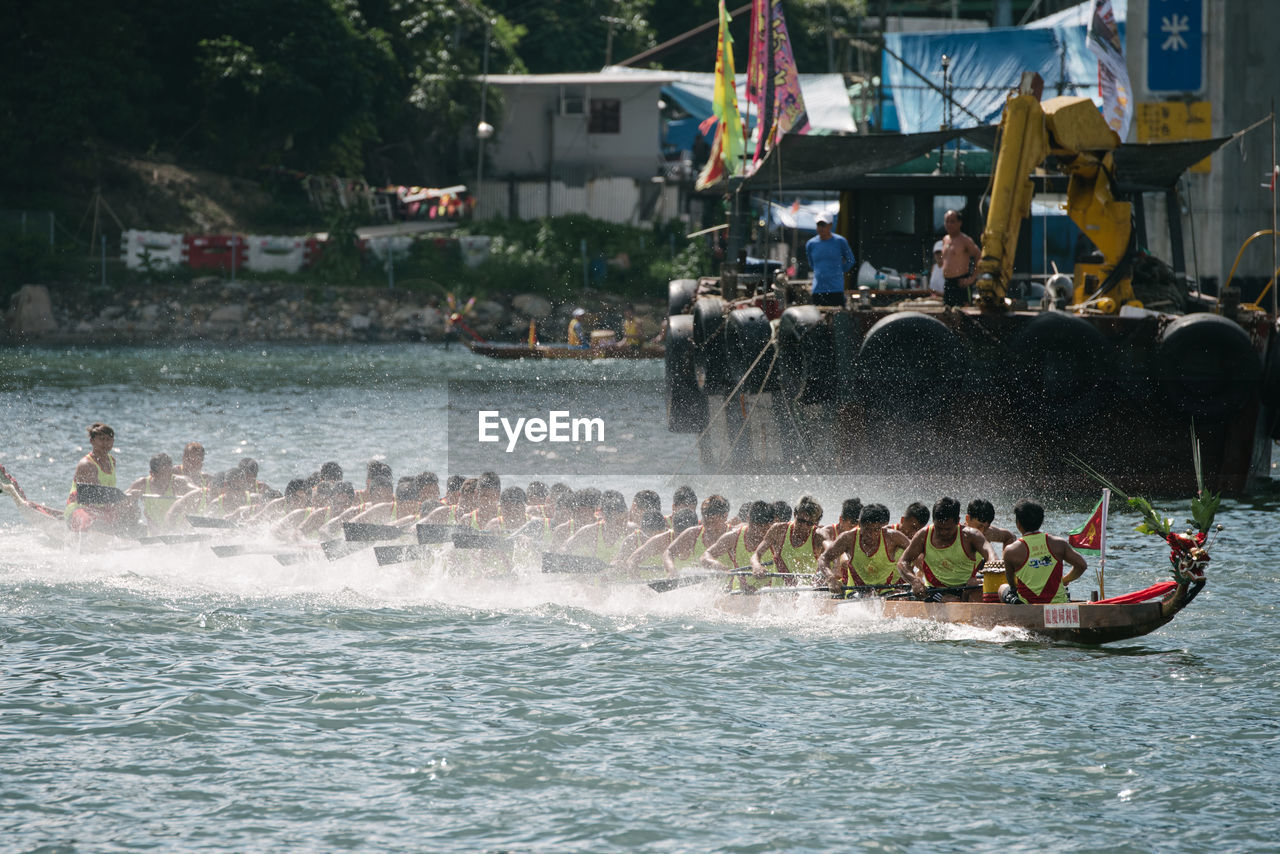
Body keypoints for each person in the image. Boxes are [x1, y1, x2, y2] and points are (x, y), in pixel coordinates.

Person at [897, 496, 993, 600]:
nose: (943, 533)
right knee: (950, 600)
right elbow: (903, 562)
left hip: (966, 588)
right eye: (938, 528)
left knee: (978, 591)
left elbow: (992, 557)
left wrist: (985, 580)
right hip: (933, 591)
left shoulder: (971, 535)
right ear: (933, 521)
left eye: (948, 529)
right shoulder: (923, 535)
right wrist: (914, 581)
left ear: (958, 521)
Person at [999, 500, 1088, 604]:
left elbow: (1012, 584)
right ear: (1041, 521)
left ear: (1018, 523)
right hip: (1058, 604)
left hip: (1027, 606)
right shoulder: (1059, 543)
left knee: (1002, 588)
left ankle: (1016, 616)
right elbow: (1082, 566)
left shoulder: (1010, 551)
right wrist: (1063, 581)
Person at [819, 503, 910, 594]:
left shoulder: (893, 537)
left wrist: (915, 580)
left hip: (885, 592)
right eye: (867, 529)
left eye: (876, 530)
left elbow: (918, 554)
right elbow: (823, 558)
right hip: (855, 592)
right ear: (859, 524)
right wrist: (830, 578)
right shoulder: (848, 538)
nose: (872, 535)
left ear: (881, 527)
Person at [752, 495, 824, 584]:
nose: (803, 527)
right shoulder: (778, 530)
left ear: (816, 522)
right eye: (800, 521)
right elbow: (756, 554)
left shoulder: (818, 536)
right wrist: (756, 565)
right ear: (795, 514)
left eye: (809, 523)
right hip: (778, 594)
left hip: (806, 595)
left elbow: (831, 561)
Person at [127, 452, 197, 531]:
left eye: (169, 472)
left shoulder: (178, 481)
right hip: (154, 532)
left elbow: (195, 489)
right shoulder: (142, 484)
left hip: (178, 531)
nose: (167, 477)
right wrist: (131, 496)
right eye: (163, 474)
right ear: (152, 474)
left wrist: (198, 491)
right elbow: (122, 498)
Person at [805, 212, 855, 307]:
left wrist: (839, 271)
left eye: (823, 225)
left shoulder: (840, 241)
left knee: (837, 319)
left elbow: (850, 260)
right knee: (819, 320)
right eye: (818, 225)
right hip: (818, 290)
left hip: (836, 289)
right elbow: (811, 264)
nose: (820, 228)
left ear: (830, 225)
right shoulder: (810, 244)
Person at [940, 209, 981, 307]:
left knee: (963, 315)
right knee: (948, 314)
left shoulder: (965, 240)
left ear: (959, 223)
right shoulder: (945, 239)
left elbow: (979, 256)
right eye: (947, 221)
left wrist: (972, 278)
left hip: (961, 283)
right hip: (948, 283)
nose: (949, 224)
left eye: (952, 221)